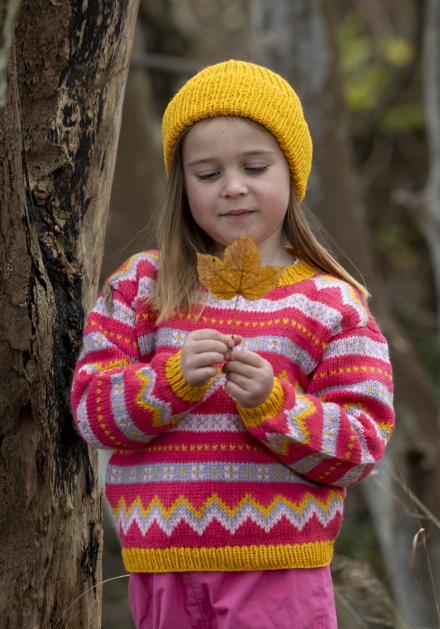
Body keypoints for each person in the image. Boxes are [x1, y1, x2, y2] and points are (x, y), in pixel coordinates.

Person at [71, 60, 394, 629]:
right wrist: (168, 382)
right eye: (207, 173)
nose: (233, 186)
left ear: (293, 172)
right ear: (182, 184)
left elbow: (361, 447)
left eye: (255, 166)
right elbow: (91, 412)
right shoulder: (142, 286)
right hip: (161, 567)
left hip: (277, 567)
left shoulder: (331, 304)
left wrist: (275, 405)